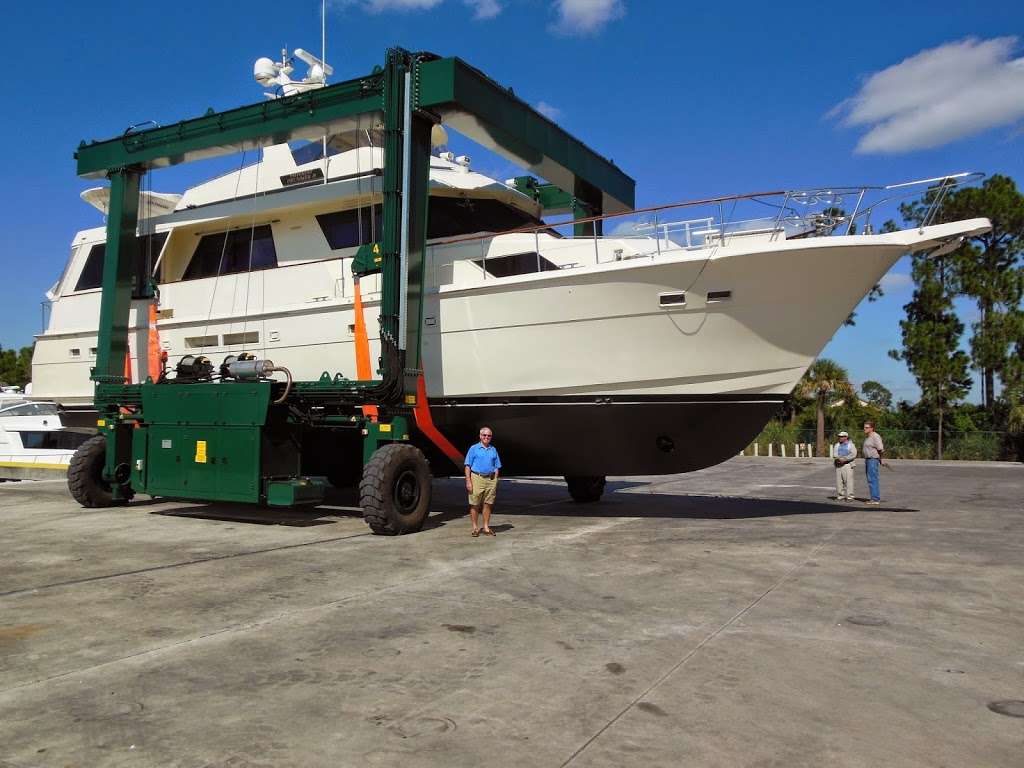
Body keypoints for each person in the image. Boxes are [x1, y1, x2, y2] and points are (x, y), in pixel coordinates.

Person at [465, 426, 501, 537]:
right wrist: (468, 481)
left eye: (489, 436)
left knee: (488, 504)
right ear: (480, 436)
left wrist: (495, 479)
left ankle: (486, 527)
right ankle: (475, 528)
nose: (486, 437)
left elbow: (497, 466)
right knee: (475, 504)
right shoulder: (473, 448)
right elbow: (467, 466)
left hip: (490, 479)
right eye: (484, 435)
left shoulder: (493, 449)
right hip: (477, 478)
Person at [862, 421, 884, 505]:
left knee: (873, 479)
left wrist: (881, 459)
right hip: (868, 460)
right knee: (870, 479)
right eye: (864, 427)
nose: (864, 429)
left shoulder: (875, 436)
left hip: (873, 460)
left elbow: (880, 449)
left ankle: (875, 499)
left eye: (867, 427)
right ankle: (874, 498)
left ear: (872, 428)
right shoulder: (868, 436)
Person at [833, 431, 857, 501]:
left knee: (848, 481)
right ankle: (840, 496)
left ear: (846, 437)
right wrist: (838, 459)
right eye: (839, 436)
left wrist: (845, 459)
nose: (840, 438)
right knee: (839, 482)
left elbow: (853, 454)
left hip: (848, 465)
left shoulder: (851, 445)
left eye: (842, 436)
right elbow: (835, 453)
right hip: (838, 464)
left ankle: (850, 497)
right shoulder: (837, 445)